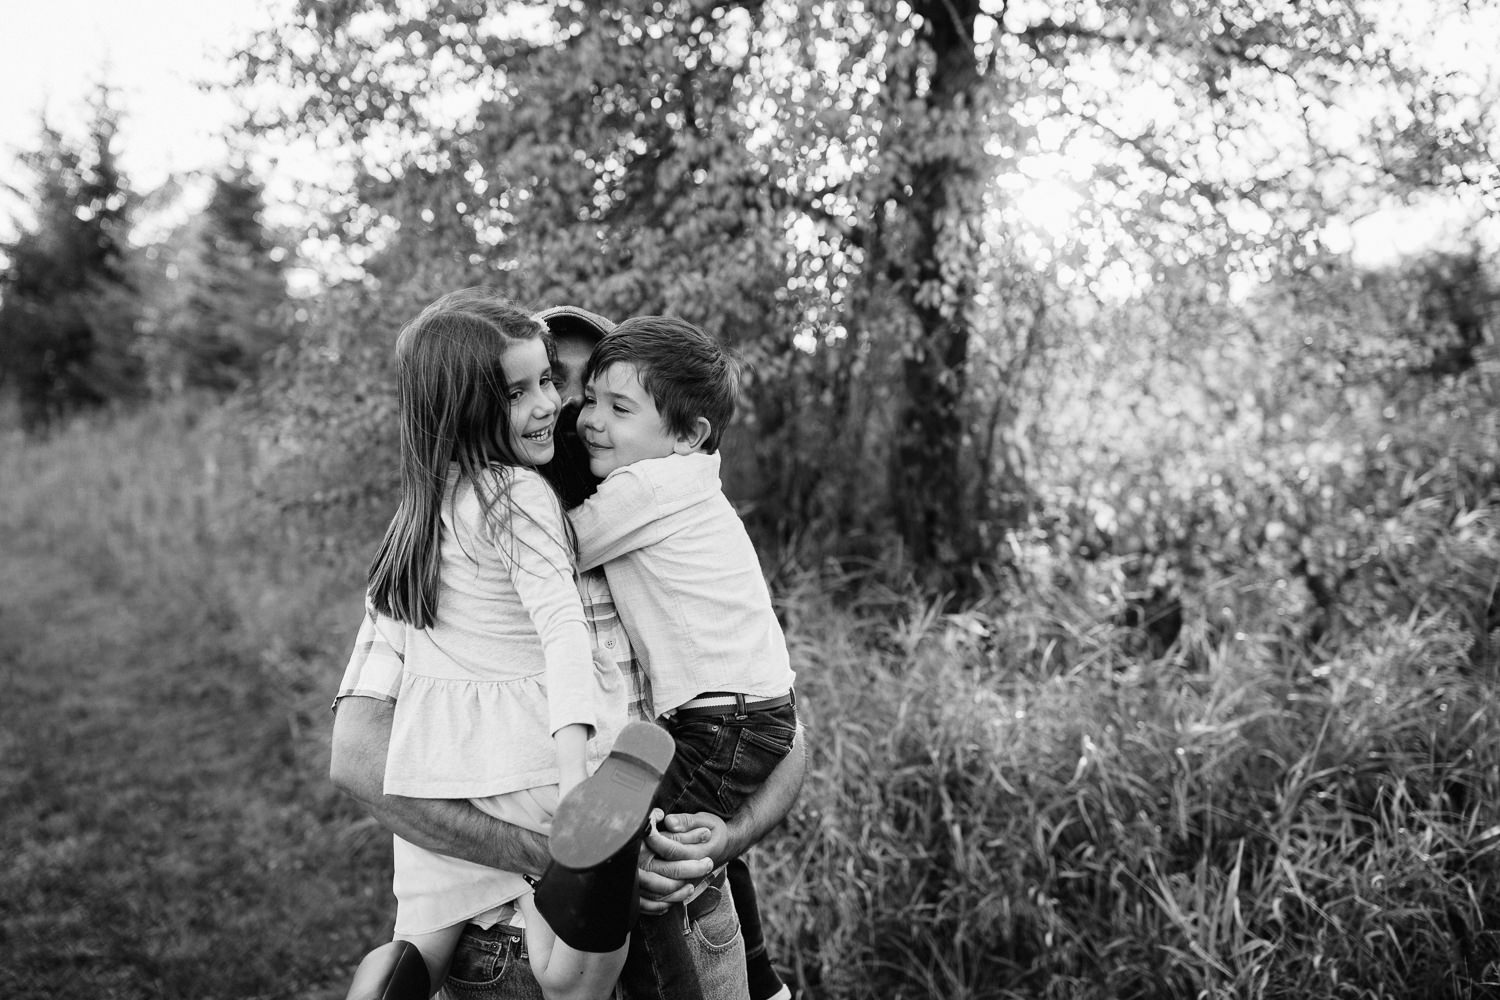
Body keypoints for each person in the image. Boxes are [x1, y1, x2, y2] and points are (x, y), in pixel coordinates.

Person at [332, 302, 808, 1000]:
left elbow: (779, 727)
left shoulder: (659, 535)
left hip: (687, 907)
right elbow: (356, 756)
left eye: (598, 396)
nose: (569, 410)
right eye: (544, 385)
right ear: (484, 402)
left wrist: (727, 837)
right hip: (518, 933)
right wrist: (575, 860)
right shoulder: (446, 545)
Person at [351, 289, 667, 1000]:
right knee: (575, 974)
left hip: (443, 763)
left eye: (548, 382)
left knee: (420, 940)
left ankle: (388, 983)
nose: (552, 404)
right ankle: (581, 940)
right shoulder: (519, 496)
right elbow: (563, 633)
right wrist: (575, 770)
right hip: (533, 757)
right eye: (520, 390)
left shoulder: (420, 514)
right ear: (467, 405)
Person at [569, 316, 798, 1000]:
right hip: (744, 714)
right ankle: (762, 981)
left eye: (619, 407)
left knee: (642, 866)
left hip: (723, 722)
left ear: (687, 435)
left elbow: (552, 549)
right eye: (589, 400)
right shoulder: (692, 482)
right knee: (664, 854)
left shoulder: (646, 488)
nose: (588, 421)